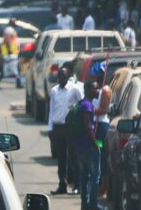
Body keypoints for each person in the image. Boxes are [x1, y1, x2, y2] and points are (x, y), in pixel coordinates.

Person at [48, 65, 83, 195]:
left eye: (64, 75)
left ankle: (77, 185)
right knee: (61, 159)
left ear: (68, 76)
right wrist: (50, 128)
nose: (61, 78)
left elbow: (81, 105)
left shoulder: (74, 89)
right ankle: (62, 185)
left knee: (74, 158)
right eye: (59, 75)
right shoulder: (54, 91)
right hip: (58, 127)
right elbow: (51, 110)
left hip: (71, 127)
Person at [73, 80, 101, 210]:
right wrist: (94, 144)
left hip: (81, 145)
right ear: (88, 89)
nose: (97, 91)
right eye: (95, 88)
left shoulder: (85, 104)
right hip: (87, 146)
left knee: (85, 175)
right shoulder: (86, 106)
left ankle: (85, 203)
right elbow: (87, 126)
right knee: (94, 175)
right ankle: (91, 203)